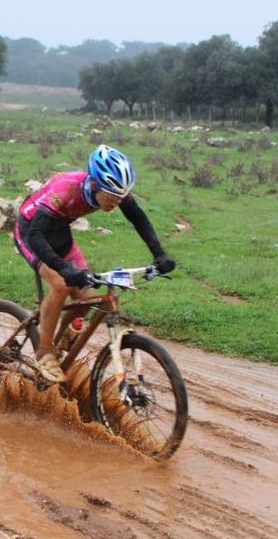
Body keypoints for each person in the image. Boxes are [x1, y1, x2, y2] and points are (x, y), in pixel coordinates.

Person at [13, 145, 176, 383]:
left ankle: (57, 346)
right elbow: (36, 236)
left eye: (121, 196)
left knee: (86, 299)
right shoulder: (66, 189)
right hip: (30, 231)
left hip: (60, 232)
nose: (117, 202)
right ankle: (44, 352)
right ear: (97, 185)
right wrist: (64, 268)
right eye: (112, 196)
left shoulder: (114, 191)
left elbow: (138, 218)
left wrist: (159, 254)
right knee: (60, 285)